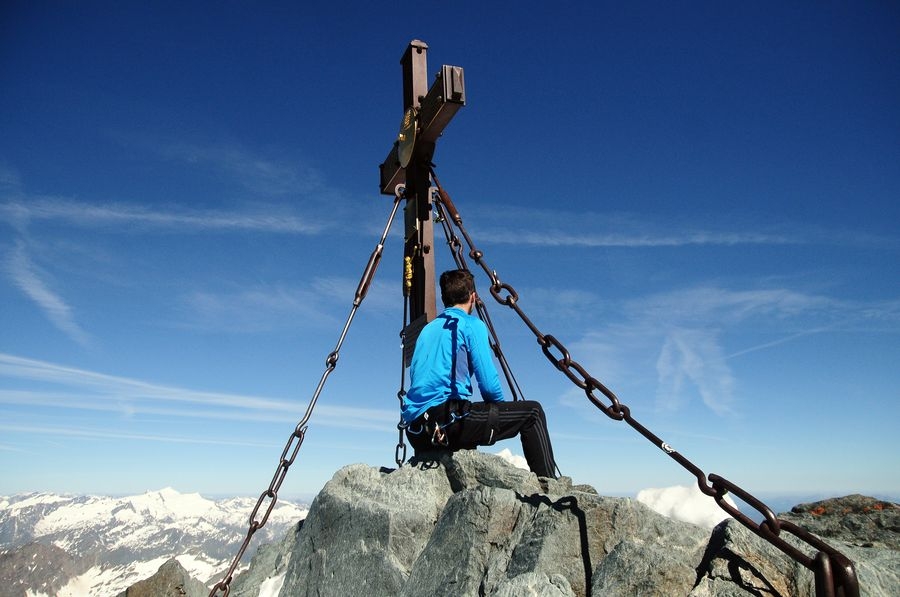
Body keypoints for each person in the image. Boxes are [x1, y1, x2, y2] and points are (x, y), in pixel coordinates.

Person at [402, 269, 559, 479]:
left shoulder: (427, 330)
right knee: (533, 413)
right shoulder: (471, 325)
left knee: (467, 415)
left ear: (444, 298)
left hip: (417, 431)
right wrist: (501, 410)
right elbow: (489, 385)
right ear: (473, 297)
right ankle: (549, 486)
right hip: (448, 422)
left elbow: (419, 375)